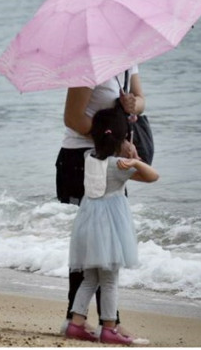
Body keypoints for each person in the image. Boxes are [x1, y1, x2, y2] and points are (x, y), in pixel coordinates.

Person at [55, 66, 148, 342]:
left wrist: (135, 103)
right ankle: (99, 323)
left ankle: (84, 321)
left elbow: (141, 100)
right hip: (85, 157)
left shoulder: (129, 60)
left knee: (103, 243)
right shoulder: (87, 66)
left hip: (108, 154)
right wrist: (115, 143)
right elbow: (72, 118)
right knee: (97, 243)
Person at [65, 107, 159, 344]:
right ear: (123, 138)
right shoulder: (119, 166)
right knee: (109, 280)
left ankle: (76, 323)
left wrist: (123, 149)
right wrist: (135, 160)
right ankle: (109, 328)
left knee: (90, 279)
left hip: (87, 226)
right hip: (109, 232)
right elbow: (153, 176)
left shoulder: (88, 158)